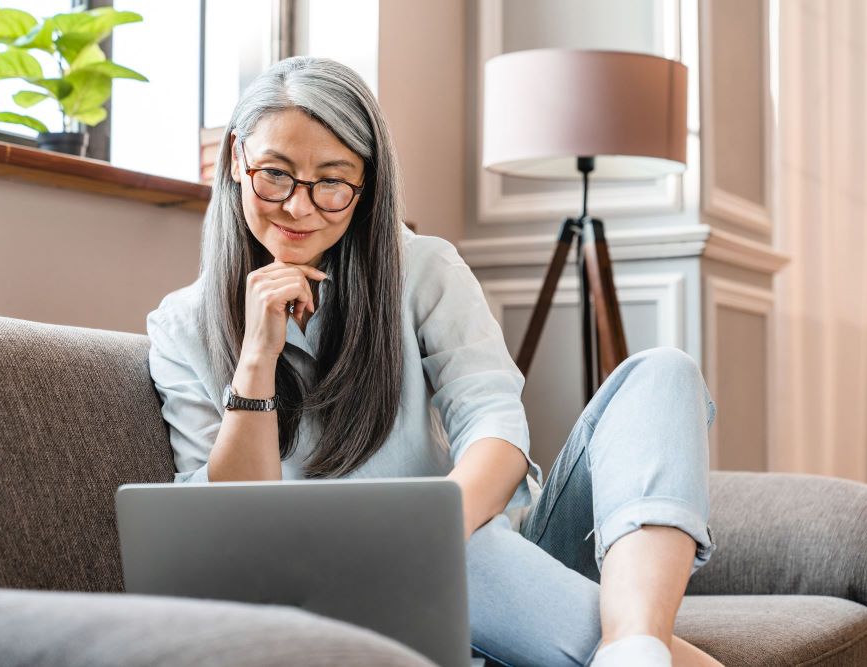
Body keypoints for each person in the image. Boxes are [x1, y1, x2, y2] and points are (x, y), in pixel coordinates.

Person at [146, 55, 723, 667]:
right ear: (236, 158)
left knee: (662, 372)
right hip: (365, 599)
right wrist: (256, 358)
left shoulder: (423, 269)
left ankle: (635, 643)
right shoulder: (182, 327)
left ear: (367, 184)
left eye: (333, 182)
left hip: (492, 551)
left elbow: (497, 437)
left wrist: (430, 544)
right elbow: (232, 526)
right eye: (276, 175)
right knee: (462, 550)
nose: (299, 207)